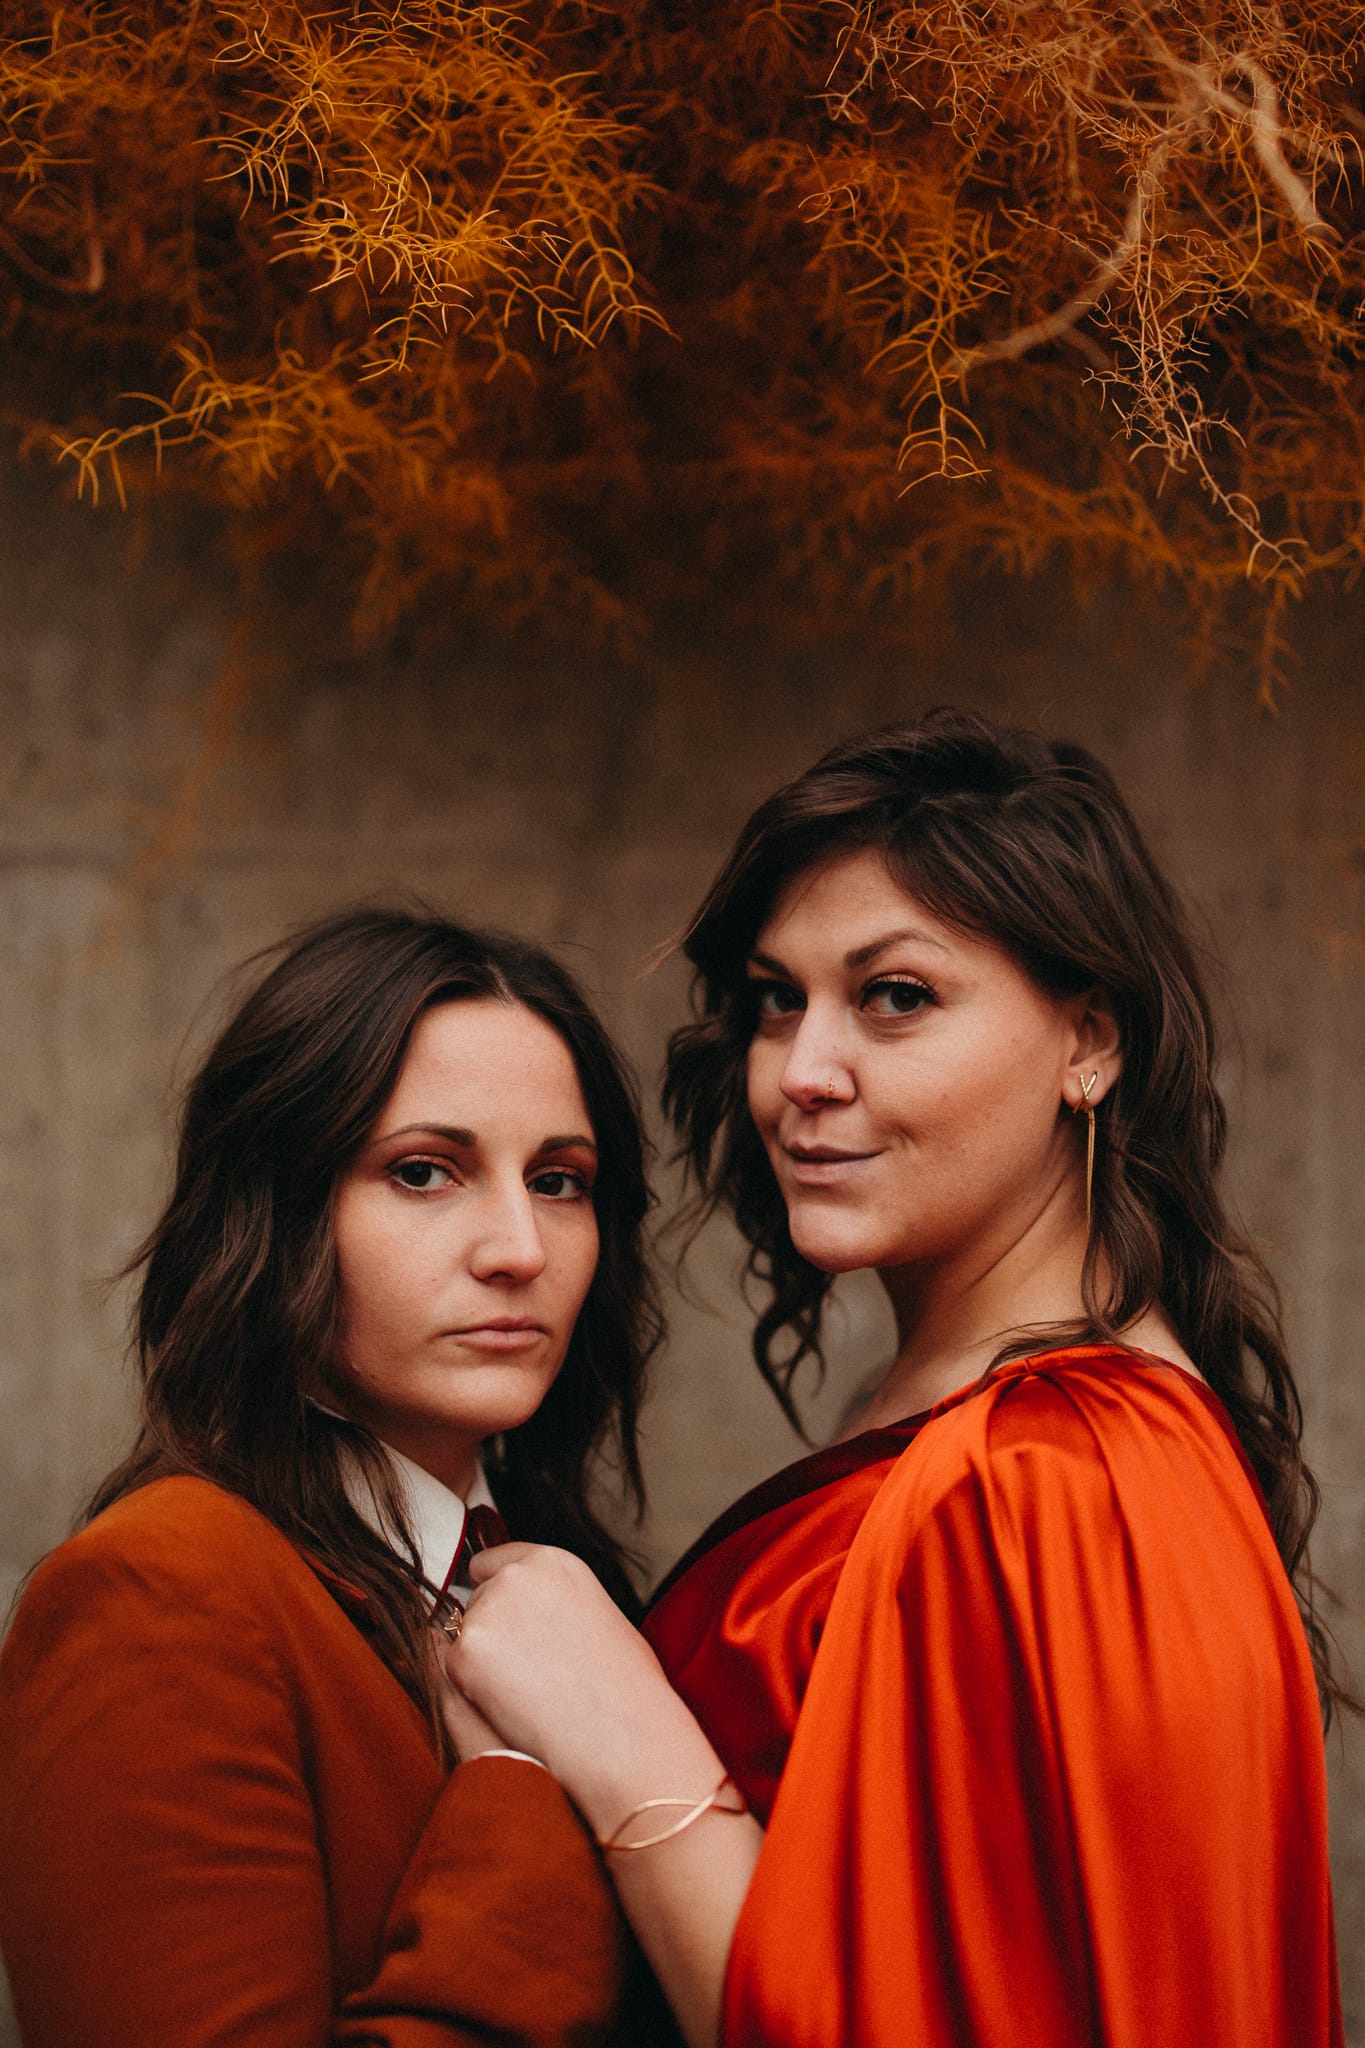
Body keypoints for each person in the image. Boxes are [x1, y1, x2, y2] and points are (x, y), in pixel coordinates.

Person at [440, 711, 1346, 2048]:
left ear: (1089, 1040)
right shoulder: (989, 1430)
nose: (801, 1074)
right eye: (778, 1000)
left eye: (896, 997)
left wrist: (628, 1750)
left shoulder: (1054, 1479)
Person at [0, 907, 671, 2048]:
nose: (521, 1248)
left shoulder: (561, 1588)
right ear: (278, 1210)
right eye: (425, 1172)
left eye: (560, 1180)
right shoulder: (156, 1595)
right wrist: (527, 1784)